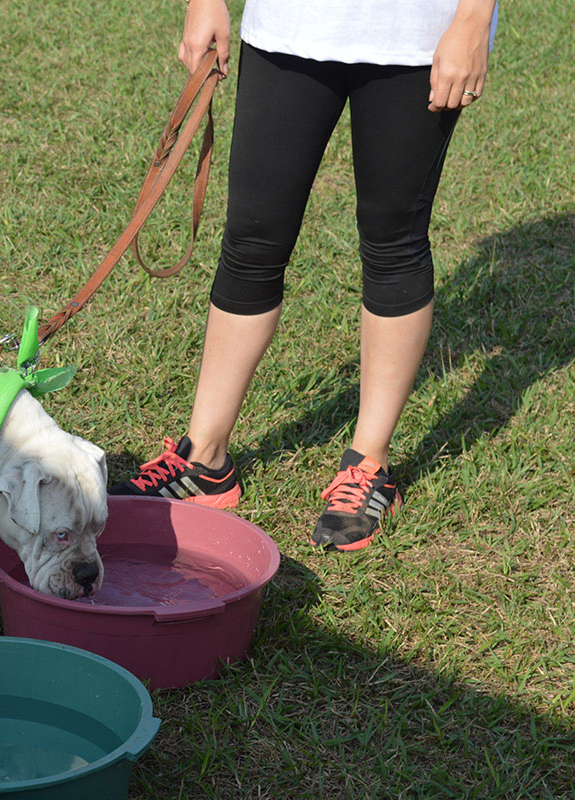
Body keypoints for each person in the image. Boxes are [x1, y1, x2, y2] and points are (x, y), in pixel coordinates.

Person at [110, 0, 498, 551]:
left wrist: (472, 20)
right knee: (252, 238)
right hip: (290, 28)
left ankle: (369, 465)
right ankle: (205, 461)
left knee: (393, 240)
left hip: (417, 34)